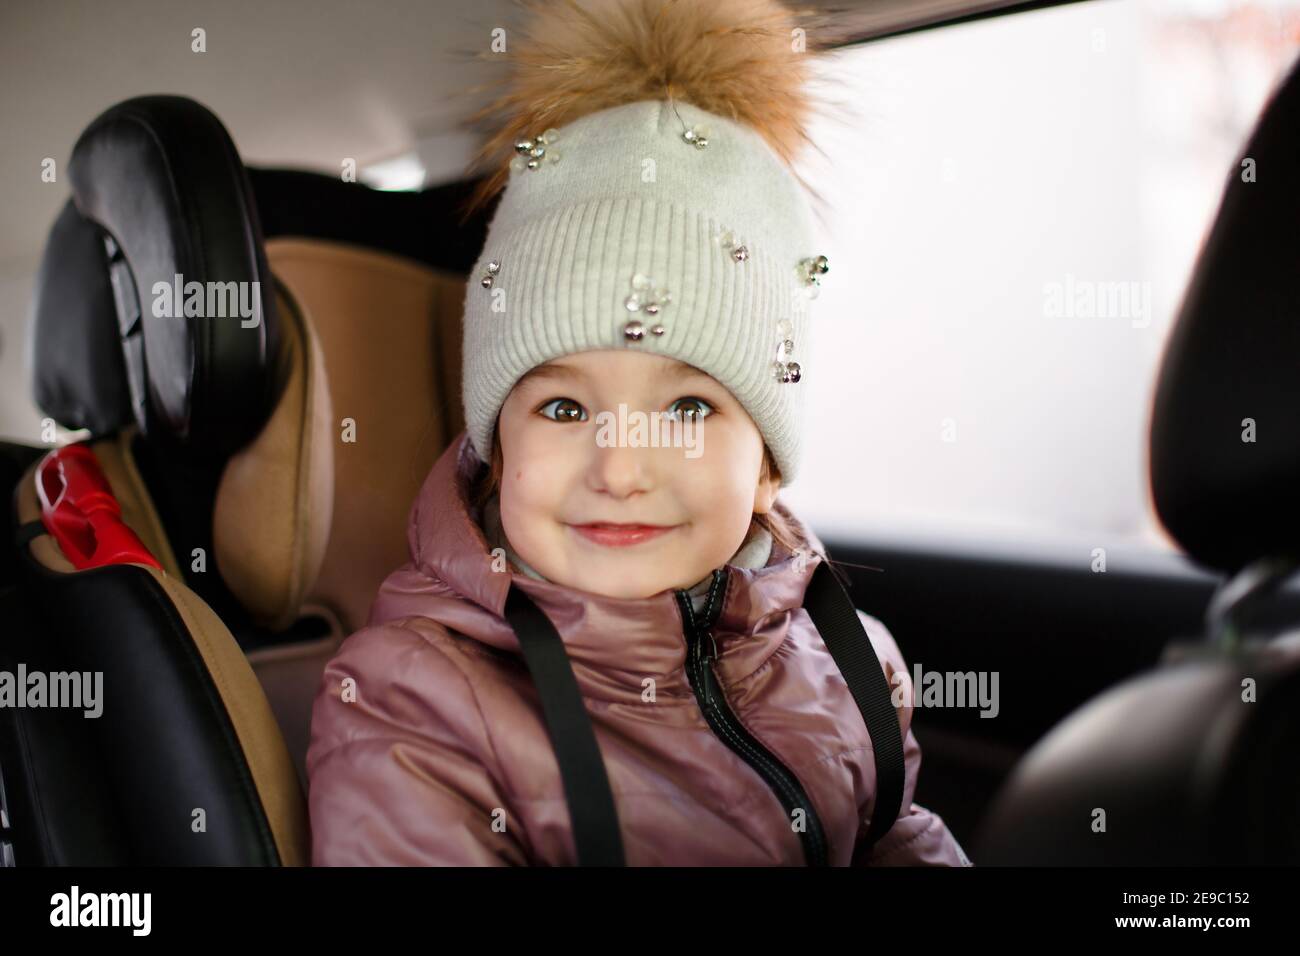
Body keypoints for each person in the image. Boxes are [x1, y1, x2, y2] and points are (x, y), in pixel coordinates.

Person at [307, 0, 971, 867]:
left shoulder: (848, 661)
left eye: (689, 411)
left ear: (767, 466)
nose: (619, 470)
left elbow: (895, 838)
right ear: (497, 448)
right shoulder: (414, 704)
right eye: (564, 409)